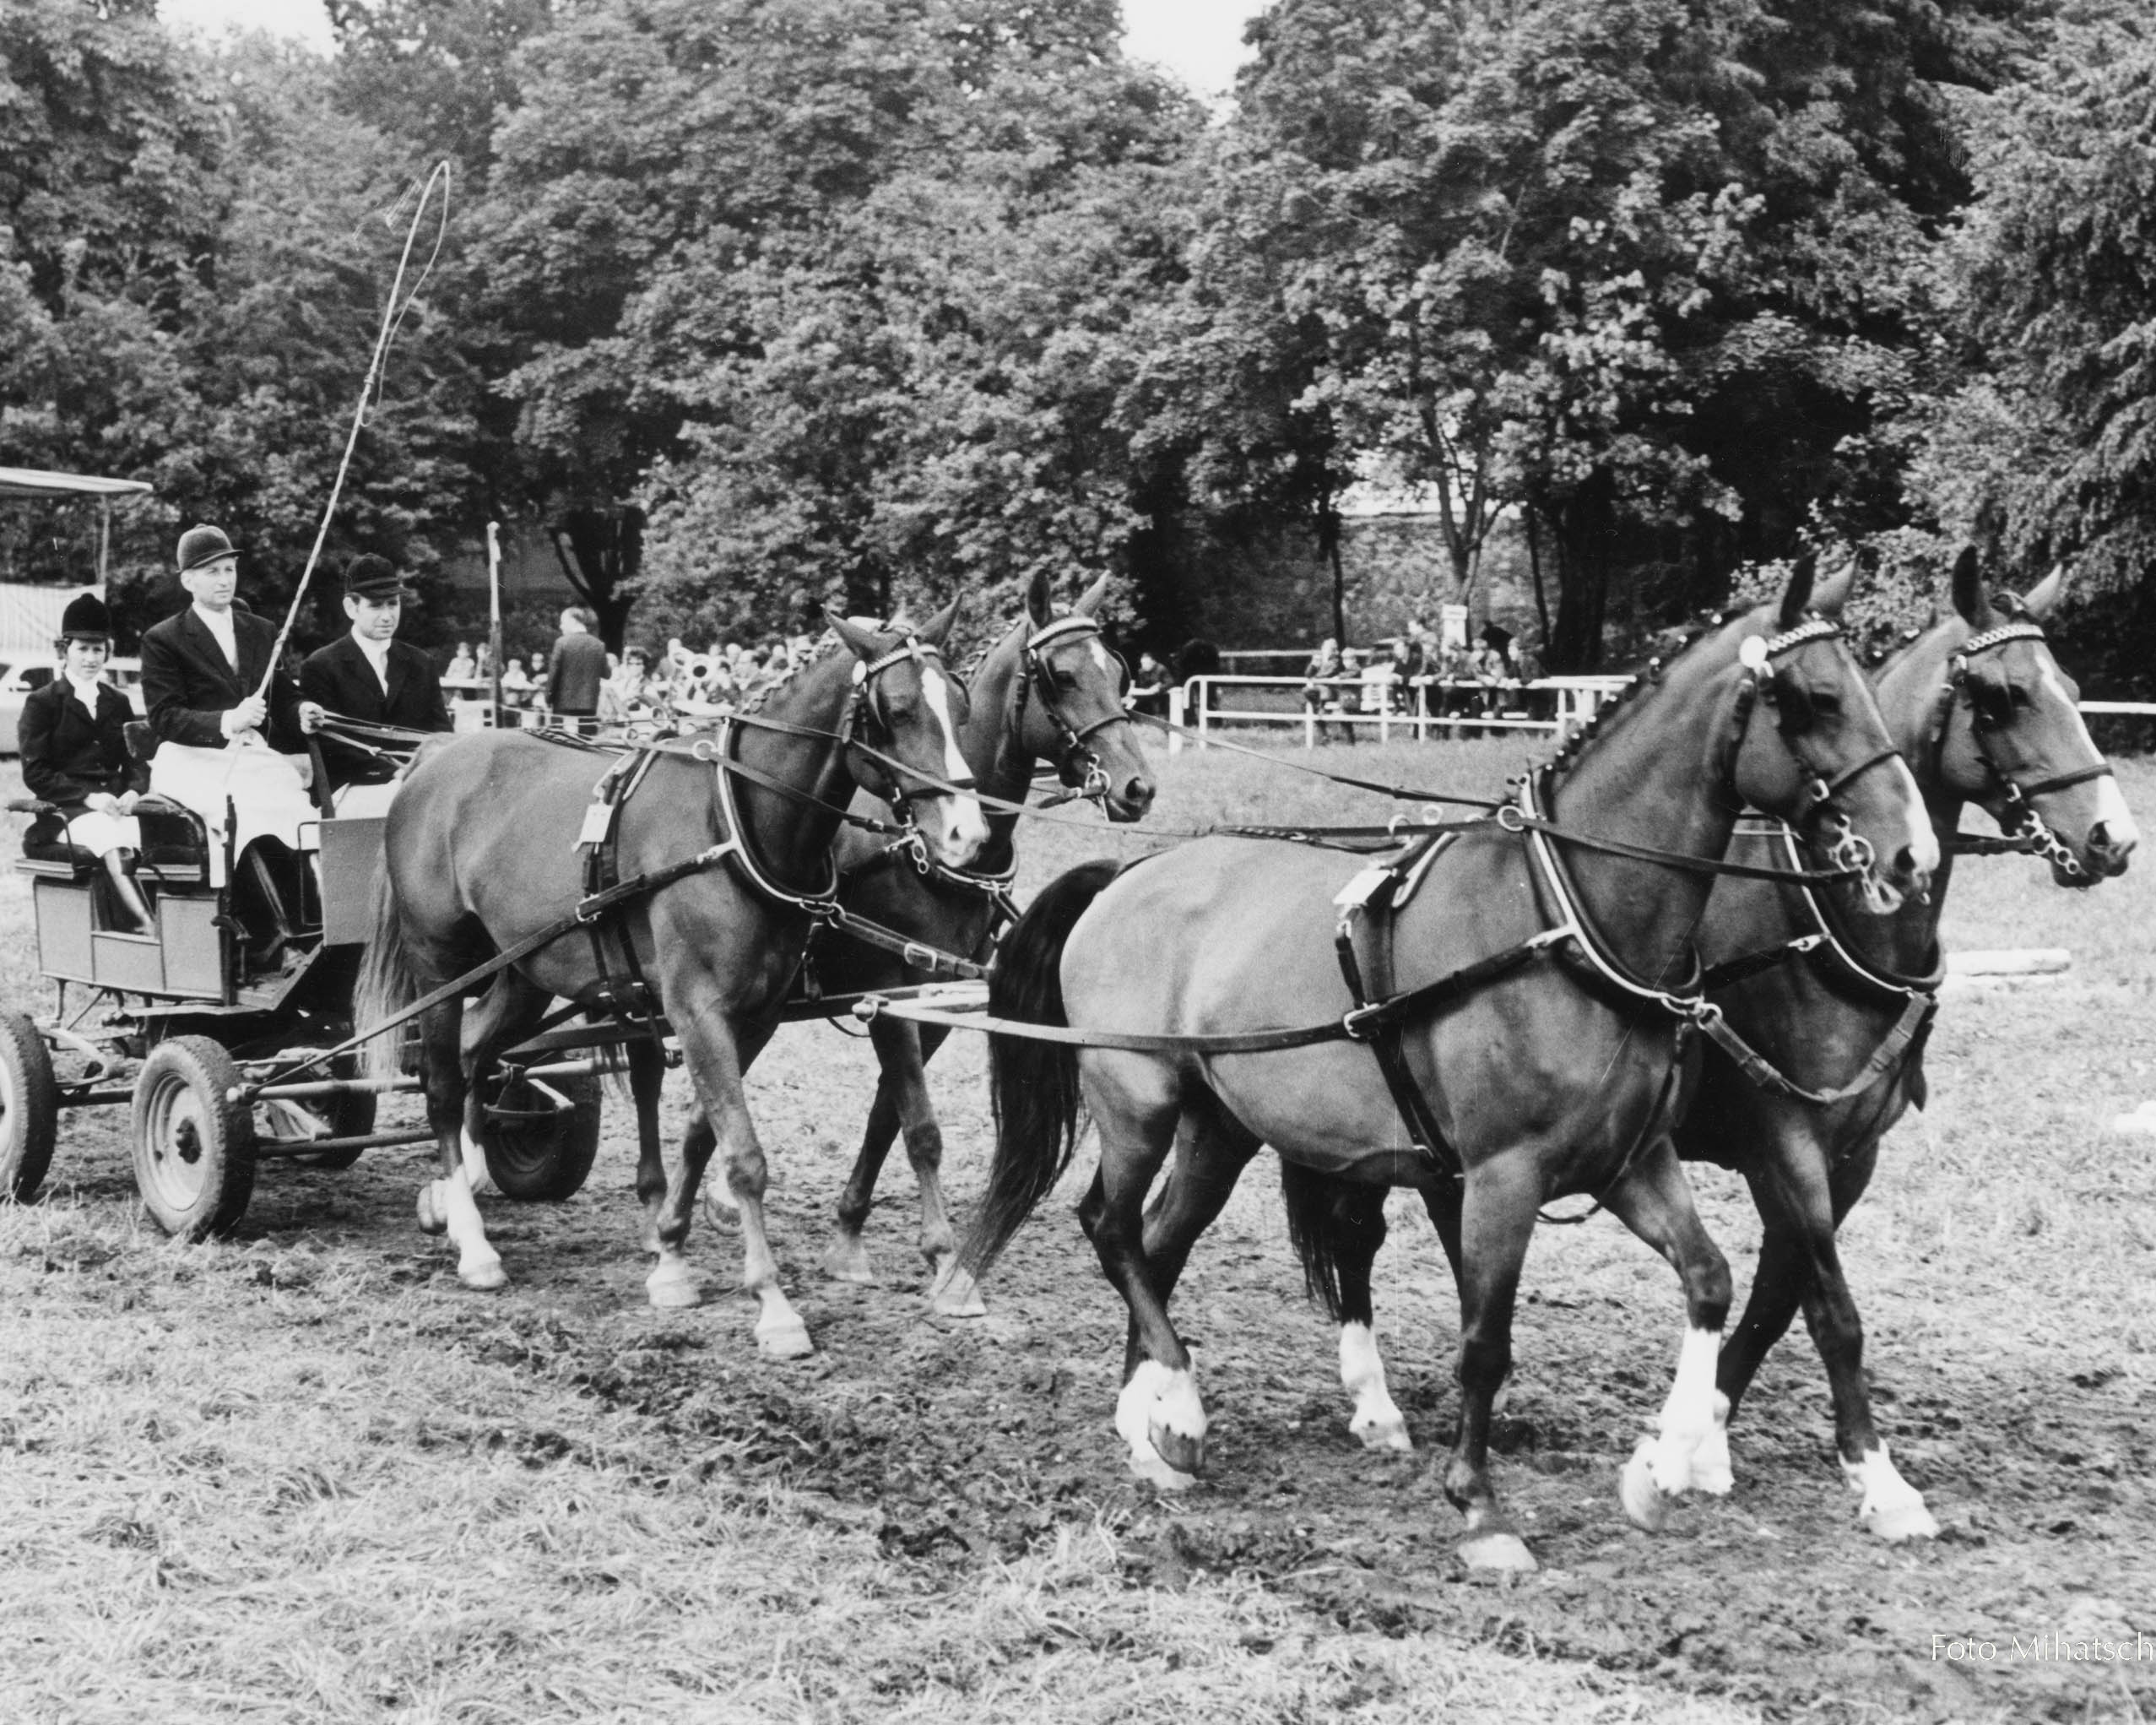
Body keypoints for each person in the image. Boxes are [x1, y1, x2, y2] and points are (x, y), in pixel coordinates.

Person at [138, 523, 327, 969]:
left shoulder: (260, 631)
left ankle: (316, 927)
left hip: (249, 756)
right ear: (188, 581)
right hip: (190, 759)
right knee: (244, 810)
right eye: (211, 572)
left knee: (300, 812)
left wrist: (301, 710)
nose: (224, 580)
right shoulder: (163, 639)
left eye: (229, 569)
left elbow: (280, 692)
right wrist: (226, 720)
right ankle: (267, 938)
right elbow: (164, 717)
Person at [19, 594, 154, 932]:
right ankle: (147, 929)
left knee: (154, 836)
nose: (91, 658)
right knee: (110, 838)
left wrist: (135, 792)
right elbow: (37, 773)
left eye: (98, 649)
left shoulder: (118, 701)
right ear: (64, 650)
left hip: (117, 808)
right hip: (66, 813)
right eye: (82, 649)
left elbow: (136, 761)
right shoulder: (43, 702)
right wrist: (88, 797)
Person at [300, 554, 453, 814]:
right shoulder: (321, 666)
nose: (387, 616)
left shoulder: (421, 663)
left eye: (393, 604)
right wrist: (396, 775)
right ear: (351, 607)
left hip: (418, 784)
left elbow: (440, 733)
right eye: (375, 606)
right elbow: (332, 749)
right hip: (354, 789)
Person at [1303, 637, 1345, 743]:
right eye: (1325, 648)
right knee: (1306, 691)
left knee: (1319, 693)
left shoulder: (1336, 661)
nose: (1327, 651)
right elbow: (1308, 675)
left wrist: (1316, 677)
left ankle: (1320, 707)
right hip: (1320, 693)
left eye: (1330, 649)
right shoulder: (1320, 660)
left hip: (1333, 692)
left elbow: (1327, 674)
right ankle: (1324, 736)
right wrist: (1313, 665)